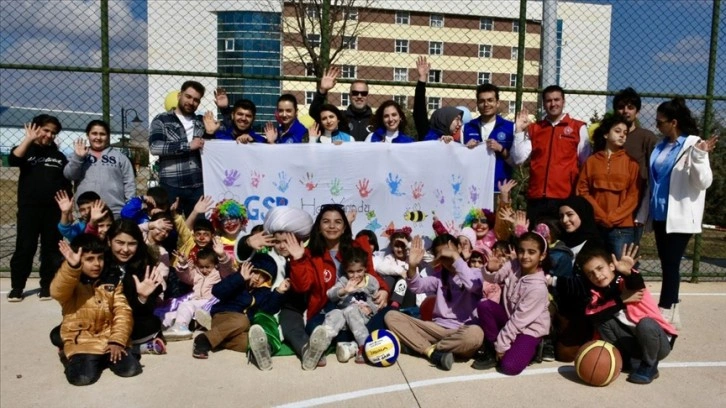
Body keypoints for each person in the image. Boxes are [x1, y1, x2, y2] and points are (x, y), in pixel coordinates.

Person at [635, 98, 716, 329]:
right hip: (660, 215)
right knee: (667, 263)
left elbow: (704, 182)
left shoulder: (694, 144)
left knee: (670, 264)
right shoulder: (660, 146)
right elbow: (654, 182)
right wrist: (644, 213)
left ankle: (665, 309)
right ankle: (673, 311)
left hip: (679, 217)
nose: (657, 125)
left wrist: (700, 156)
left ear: (674, 122)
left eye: (660, 122)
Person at [284, 204, 389, 370]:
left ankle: (346, 342)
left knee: (387, 315)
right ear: (319, 227)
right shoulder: (311, 254)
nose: (332, 226)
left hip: (359, 308)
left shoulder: (357, 248)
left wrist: (383, 290)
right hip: (328, 311)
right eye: (326, 221)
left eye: (338, 222)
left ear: (344, 227)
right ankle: (342, 344)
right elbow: (301, 286)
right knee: (314, 327)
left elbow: (371, 274)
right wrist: (297, 259)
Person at [576, 244, 677, 384]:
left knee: (645, 324)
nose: (597, 276)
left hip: (658, 344)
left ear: (611, 266)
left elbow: (636, 284)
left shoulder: (624, 281)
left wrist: (628, 272)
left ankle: (650, 365)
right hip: (634, 344)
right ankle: (622, 360)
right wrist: (620, 301)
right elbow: (593, 314)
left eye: (600, 268)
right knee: (603, 321)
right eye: (591, 273)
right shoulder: (597, 294)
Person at [51, 234, 141, 386]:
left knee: (130, 369)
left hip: (109, 337)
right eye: (89, 259)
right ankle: (69, 355)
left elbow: (123, 312)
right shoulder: (72, 282)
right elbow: (57, 291)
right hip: (81, 339)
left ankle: (100, 358)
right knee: (82, 378)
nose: (97, 264)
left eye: (100, 258)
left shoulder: (112, 280)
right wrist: (72, 267)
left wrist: (117, 341)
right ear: (79, 260)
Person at [384, 234, 485, 371]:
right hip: (437, 329)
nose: (448, 260)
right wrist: (412, 266)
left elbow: (473, 286)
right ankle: (430, 350)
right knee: (391, 316)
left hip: (463, 331)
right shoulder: (439, 278)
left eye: (450, 254)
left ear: (459, 249)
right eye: (443, 257)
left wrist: (455, 257)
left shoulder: (475, 272)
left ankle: (422, 346)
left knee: (476, 335)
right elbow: (416, 286)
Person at [8, 115, 72, 302]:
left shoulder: (59, 157)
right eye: (46, 130)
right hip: (30, 209)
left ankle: (47, 285)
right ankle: (17, 287)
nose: (49, 135)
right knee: (25, 247)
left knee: (51, 248)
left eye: (53, 132)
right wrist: (28, 139)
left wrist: (66, 210)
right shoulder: (26, 151)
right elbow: (13, 160)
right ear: (36, 129)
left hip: (53, 210)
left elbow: (66, 184)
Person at [473, 232, 551, 375]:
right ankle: (492, 351)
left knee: (509, 367)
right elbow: (495, 278)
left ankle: (535, 348)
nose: (525, 256)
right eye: (521, 251)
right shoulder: (514, 265)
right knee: (484, 305)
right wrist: (490, 268)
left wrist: (502, 346)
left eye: (531, 252)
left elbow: (518, 322)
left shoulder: (538, 288)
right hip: (511, 319)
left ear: (542, 256)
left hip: (528, 329)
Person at [192, 253, 288, 365]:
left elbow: (269, 309)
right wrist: (240, 278)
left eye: (263, 276)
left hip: (238, 328)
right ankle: (204, 339)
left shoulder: (263, 292)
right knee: (242, 320)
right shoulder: (237, 281)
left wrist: (279, 292)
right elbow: (217, 291)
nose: (257, 278)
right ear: (248, 269)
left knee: (250, 342)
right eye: (255, 272)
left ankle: (217, 338)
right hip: (224, 316)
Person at [511, 85, 591, 222]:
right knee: (535, 240)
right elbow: (518, 159)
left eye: (556, 100)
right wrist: (519, 131)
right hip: (537, 197)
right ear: (543, 103)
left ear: (563, 101)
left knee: (561, 241)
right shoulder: (535, 128)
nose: (553, 104)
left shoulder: (578, 127)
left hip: (565, 196)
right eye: (549, 101)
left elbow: (586, 163)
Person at [576, 114, 640, 259]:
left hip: (622, 228)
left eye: (625, 133)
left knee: (623, 271)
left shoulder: (632, 163)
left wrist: (612, 218)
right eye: (617, 131)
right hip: (595, 225)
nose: (622, 135)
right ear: (605, 134)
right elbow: (582, 191)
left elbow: (633, 196)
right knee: (596, 268)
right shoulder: (591, 162)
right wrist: (600, 216)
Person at [105, 220, 167, 355]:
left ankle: (133, 347)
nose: (125, 250)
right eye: (120, 243)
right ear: (109, 241)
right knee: (59, 333)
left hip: (130, 321)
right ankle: (137, 347)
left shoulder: (145, 266)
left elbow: (145, 311)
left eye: (132, 244)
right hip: (101, 320)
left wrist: (142, 297)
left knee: (151, 324)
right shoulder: (100, 263)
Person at [149, 80, 209, 217]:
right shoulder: (162, 120)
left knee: (198, 228)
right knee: (168, 228)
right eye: (188, 96)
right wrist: (187, 146)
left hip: (197, 185)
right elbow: (155, 147)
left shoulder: (202, 122)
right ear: (179, 96)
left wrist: (224, 110)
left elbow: (224, 136)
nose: (191, 102)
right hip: (171, 184)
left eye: (196, 100)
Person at [315, 247, 380, 364]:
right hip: (343, 318)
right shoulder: (344, 281)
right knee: (334, 314)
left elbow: (377, 302)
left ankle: (364, 347)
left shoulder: (371, 282)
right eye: (351, 272)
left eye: (359, 271)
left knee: (351, 310)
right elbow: (330, 294)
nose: (355, 275)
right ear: (346, 270)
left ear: (365, 268)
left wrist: (371, 309)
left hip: (361, 317)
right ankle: (319, 350)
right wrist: (344, 291)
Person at [63, 120, 136, 217]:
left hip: (114, 211)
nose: (98, 137)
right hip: (85, 211)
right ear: (88, 135)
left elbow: (129, 183)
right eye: (94, 133)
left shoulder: (120, 157)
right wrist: (78, 158)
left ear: (108, 136)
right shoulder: (77, 155)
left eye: (102, 134)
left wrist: (129, 206)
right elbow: (69, 175)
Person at [613, 88, 658, 245]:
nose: (625, 111)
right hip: (609, 202)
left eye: (630, 107)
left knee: (629, 252)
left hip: (635, 205)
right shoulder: (606, 136)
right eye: (621, 107)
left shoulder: (647, 137)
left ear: (637, 112)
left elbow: (656, 170)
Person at [162, 242, 232, 341]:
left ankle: (181, 328)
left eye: (207, 267)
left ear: (215, 265)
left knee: (186, 305)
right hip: (197, 302)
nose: (204, 270)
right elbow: (185, 277)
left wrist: (222, 255)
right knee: (170, 315)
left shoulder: (219, 273)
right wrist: (182, 264)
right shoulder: (196, 273)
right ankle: (161, 329)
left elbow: (227, 269)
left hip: (210, 302)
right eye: (201, 266)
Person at [462, 83, 515, 191]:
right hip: (473, 189)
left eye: (490, 100)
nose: (486, 104)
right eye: (482, 101)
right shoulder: (466, 128)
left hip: (500, 188)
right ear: (477, 104)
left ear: (497, 103)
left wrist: (501, 149)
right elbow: (460, 161)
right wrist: (466, 150)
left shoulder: (510, 128)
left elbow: (515, 163)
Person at [310, 67, 373, 142]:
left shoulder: (375, 120)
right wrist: (322, 90)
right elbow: (315, 112)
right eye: (355, 93)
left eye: (363, 93)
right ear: (349, 95)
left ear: (367, 96)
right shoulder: (341, 117)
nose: (359, 96)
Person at [413, 57, 463, 142]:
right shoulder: (427, 133)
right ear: (445, 119)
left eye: (460, 120)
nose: (460, 124)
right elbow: (419, 109)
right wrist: (422, 79)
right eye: (457, 119)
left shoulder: (458, 140)